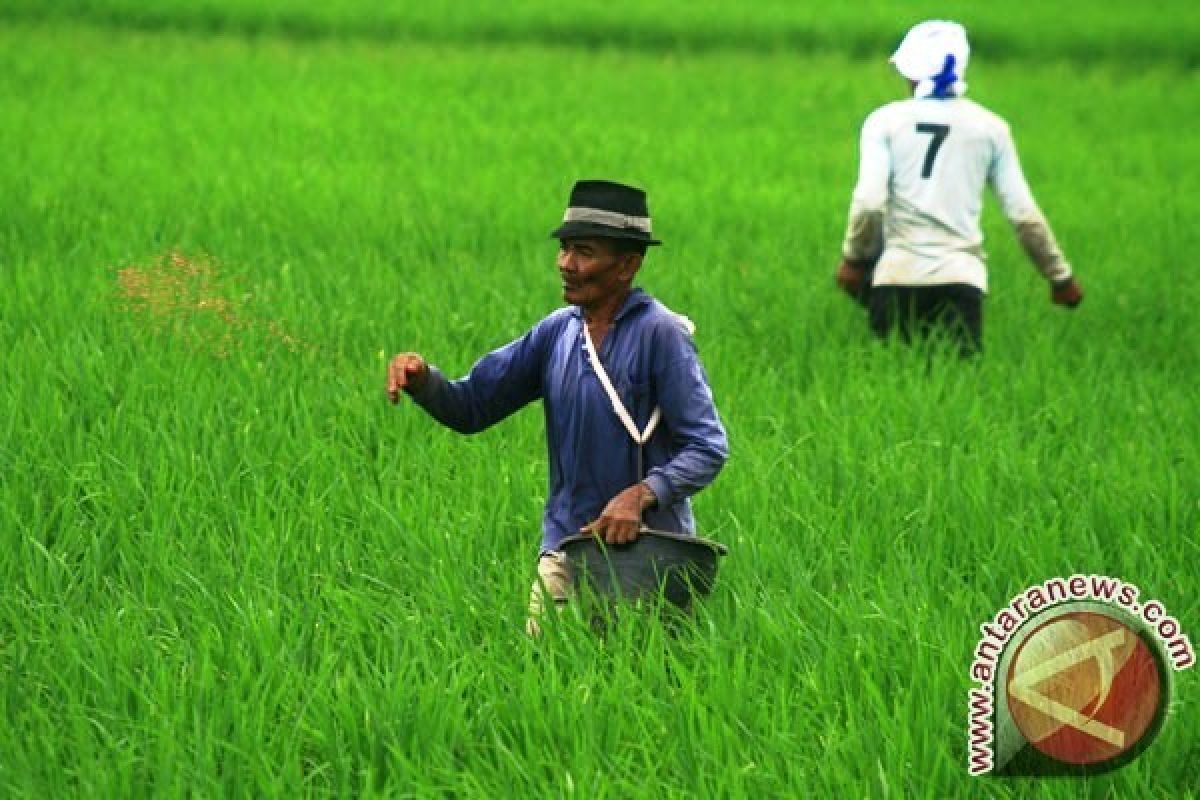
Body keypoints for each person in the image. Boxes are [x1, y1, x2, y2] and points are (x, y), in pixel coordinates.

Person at [386, 179, 729, 635]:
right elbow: (471, 407)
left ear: (627, 264)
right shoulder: (557, 334)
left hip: (650, 557)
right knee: (547, 674)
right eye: (565, 249)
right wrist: (424, 379)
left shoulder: (660, 335)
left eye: (584, 252)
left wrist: (640, 496)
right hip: (567, 549)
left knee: (644, 682)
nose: (566, 264)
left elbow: (708, 445)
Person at [835, 19, 1084, 356]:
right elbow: (1023, 215)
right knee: (957, 391)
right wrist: (1060, 277)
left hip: (895, 277)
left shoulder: (885, 122)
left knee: (890, 382)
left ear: (910, 72)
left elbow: (869, 202)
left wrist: (854, 259)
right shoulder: (990, 128)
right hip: (960, 281)